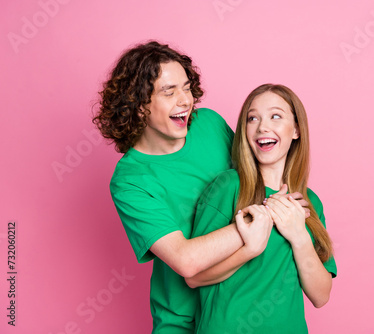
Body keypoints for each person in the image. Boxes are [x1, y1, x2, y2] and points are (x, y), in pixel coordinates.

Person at [93, 41, 308, 333]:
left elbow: (259, 171)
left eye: (186, 88)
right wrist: (264, 217)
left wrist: (291, 211)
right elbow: (186, 261)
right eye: (169, 92)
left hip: (238, 307)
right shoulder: (130, 180)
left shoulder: (209, 124)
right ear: (139, 104)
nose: (185, 101)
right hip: (182, 322)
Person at [187, 84, 337, 334]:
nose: (262, 127)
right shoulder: (228, 186)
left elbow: (320, 296)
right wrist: (250, 248)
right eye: (252, 118)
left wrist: (299, 235)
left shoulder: (309, 202)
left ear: (297, 129)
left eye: (275, 116)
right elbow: (194, 277)